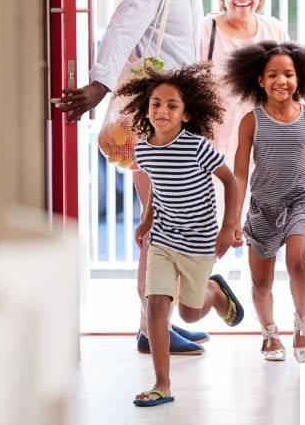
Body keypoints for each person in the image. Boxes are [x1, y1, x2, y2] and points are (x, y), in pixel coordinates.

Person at [57, 0, 233, 354]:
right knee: (156, 226)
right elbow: (120, 30)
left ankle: (155, 323)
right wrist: (98, 86)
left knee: (169, 221)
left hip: (178, 120)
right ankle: (149, 328)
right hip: (152, 121)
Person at [112, 62, 244, 407]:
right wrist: (147, 215)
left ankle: (214, 293)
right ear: (147, 109)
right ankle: (162, 383)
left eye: (172, 105)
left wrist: (229, 226)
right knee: (156, 304)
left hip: (199, 240)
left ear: (186, 115)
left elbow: (230, 181)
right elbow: (158, 184)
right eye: (156, 104)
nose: (162, 111)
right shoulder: (142, 150)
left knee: (188, 312)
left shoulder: (197, 147)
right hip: (163, 237)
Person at [225, 40, 305, 362]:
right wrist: (234, 220)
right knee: (261, 281)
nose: (281, 81)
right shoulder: (251, 121)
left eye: (288, 74)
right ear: (260, 80)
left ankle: (301, 322)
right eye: (272, 75)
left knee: (297, 262)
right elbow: (240, 173)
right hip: (263, 208)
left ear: (300, 78)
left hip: (301, 201)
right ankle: (269, 331)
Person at [200, 0, 289, 220]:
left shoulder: (273, 29)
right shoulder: (207, 29)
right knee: (214, 225)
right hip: (215, 145)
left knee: (261, 227)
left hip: (262, 145)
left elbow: (288, 85)